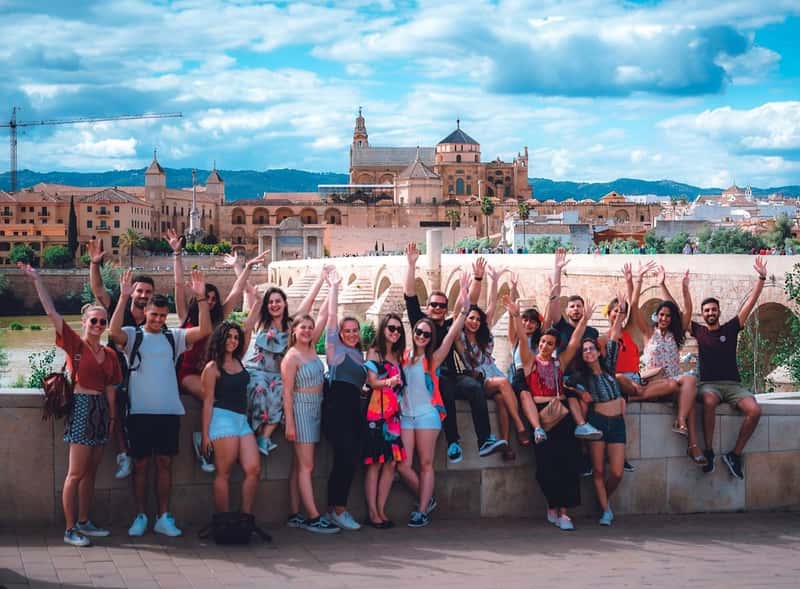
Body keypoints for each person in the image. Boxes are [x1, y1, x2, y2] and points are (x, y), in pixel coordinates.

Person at [20, 263, 122, 547]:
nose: (99, 326)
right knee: (75, 473)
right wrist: (37, 279)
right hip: (81, 407)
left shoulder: (110, 354)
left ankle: (85, 521)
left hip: (100, 410)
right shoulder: (75, 344)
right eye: (94, 321)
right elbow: (51, 312)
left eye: (102, 322)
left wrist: (112, 419)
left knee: (91, 473)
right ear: (84, 322)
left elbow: (111, 389)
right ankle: (69, 529)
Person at [110, 269, 213, 537]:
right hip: (139, 413)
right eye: (154, 315)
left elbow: (205, 330)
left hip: (168, 412)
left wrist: (201, 298)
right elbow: (113, 331)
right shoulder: (133, 335)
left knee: (165, 464)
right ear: (145, 312)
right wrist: (123, 297)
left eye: (162, 316)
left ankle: (163, 517)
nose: (157, 320)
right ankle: (141, 516)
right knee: (141, 465)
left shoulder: (173, 337)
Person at [169, 228, 268, 472]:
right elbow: (178, 285)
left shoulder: (218, 318)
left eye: (213, 299)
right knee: (209, 395)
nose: (211, 302)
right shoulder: (186, 316)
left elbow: (236, 291)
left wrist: (247, 266)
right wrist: (177, 254)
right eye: (207, 298)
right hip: (189, 373)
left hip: (214, 371)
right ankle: (202, 440)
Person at [403, 243, 507, 464]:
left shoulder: (451, 325)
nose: (438, 308)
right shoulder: (421, 324)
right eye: (434, 304)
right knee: (445, 389)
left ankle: (485, 440)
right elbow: (410, 295)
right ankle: (453, 442)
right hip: (428, 378)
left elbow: (469, 305)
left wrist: (477, 279)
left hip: (451, 374)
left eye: (442, 306)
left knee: (474, 387)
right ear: (428, 306)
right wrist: (411, 265)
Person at [506, 294, 594, 531]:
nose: (545, 346)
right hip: (542, 414)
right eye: (543, 342)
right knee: (546, 466)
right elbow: (522, 339)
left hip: (562, 414)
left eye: (550, 344)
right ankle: (552, 506)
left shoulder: (558, 363)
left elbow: (574, 342)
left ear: (555, 347)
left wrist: (584, 321)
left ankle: (564, 513)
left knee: (568, 464)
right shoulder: (530, 361)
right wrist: (515, 315)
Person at [87, 237, 169, 480]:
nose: (143, 294)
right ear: (131, 291)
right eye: (139, 290)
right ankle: (124, 453)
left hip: (143, 376)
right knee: (115, 405)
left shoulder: (155, 320)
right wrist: (94, 263)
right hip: (116, 372)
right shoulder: (117, 307)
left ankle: (135, 452)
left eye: (148, 292)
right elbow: (98, 289)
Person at [397, 274, 470, 528]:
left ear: (431, 338)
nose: (422, 336)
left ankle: (422, 510)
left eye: (426, 334)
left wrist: (464, 307)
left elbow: (452, 334)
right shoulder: (403, 357)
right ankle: (427, 499)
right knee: (403, 465)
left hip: (428, 416)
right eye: (418, 332)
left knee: (426, 464)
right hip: (406, 416)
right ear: (414, 331)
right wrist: (410, 266)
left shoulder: (434, 359)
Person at [691, 258, 767, 479]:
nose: (710, 312)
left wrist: (762, 278)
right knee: (709, 401)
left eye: (713, 309)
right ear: (703, 314)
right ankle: (709, 451)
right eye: (707, 310)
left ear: (719, 312)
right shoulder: (698, 331)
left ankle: (734, 454)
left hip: (733, 386)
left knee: (755, 410)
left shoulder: (731, 328)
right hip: (709, 385)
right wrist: (665, 285)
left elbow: (750, 303)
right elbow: (679, 314)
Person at [242, 266, 330, 456]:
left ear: (284, 303)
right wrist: (239, 267)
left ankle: (264, 437)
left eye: (278, 301)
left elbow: (309, 301)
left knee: (283, 393)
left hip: (280, 375)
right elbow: (248, 291)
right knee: (258, 389)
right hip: (259, 371)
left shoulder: (292, 325)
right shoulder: (261, 322)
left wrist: (321, 279)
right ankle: (256, 435)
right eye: (271, 302)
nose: (274, 305)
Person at [629, 266, 706, 465]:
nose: (664, 318)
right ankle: (693, 445)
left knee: (689, 383)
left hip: (674, 382)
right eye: (661, 315)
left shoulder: (675, 335)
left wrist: (684, 288)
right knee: (680, 389)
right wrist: (638, 279)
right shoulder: (648, 333)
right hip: (654, 384)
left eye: (668, 316)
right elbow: (634, 306)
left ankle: (682, 424)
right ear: (656, 316)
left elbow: (687, 311)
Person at [455, 264, 530, 461]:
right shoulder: (460, 338)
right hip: (479, 378)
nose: (474, 322)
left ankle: (505, 445)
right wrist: (464, 290)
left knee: (501, 401)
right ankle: (520, 425)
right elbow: (457, 314)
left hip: (493, 373)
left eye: (477, 320)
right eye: (470, 318)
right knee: (504, 383)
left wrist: (495, 281)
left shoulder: (483, 335)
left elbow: (491, 305)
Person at [568, 291, 629, 526]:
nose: (588, 352)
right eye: (584, 350)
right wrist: (579, 393)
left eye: (591, 348)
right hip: (598, 423)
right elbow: (564, 385)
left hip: (617, 424)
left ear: (597, 351)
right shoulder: (581, 376)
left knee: (617, 472)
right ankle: (605, 511)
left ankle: (603, 500)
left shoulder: (609, 367)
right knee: (599, 471)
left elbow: (614, 335)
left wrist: (619, 312)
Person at [282, 314, 340, 534]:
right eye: (302, 327)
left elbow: (325, 316)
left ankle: (294, 513)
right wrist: (290, 424)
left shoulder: (312, 348)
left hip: (317, 406)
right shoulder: (291, 357)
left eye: (310, 327)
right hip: (301, 409)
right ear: (294, 330)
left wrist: (330, 293)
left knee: (299, 465)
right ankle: (314, 517)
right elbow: (287, 393)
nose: (307, 331)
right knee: (307, 466)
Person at [199, 322, 261, 516]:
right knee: (223, 473)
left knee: (253, 468)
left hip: (241, 420)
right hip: (222, 418)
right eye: (228, 336)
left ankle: (245, 518)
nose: (232, 341)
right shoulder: (212, 368)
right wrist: (205, 435)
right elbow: (208, 402)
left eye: (236, 337)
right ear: (220, 338)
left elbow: (249, 328)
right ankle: (223, 522)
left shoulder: (239, 361)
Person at [322, 269, 367, 531]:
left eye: (354, 330)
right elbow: (331, 317)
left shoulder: (360, 356)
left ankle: (335, 509)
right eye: (346, 330)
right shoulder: (335, 351)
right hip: (337, 411)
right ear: (339, 334)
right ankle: (338, 509)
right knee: (345, 459)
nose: (351, 334)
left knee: (350, 460)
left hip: (354, 413)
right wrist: (334, 287)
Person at [544, 248, 603, 441]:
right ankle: (582, 431)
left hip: (585, 377)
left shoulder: (592, 332)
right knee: (577, 397)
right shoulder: (561, 326)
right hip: (564, 377)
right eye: (572, 306)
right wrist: (557, 270)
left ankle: (583, 435)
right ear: (567, 310)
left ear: (584, 310)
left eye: (579, 306)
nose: (576, 309)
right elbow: (554, 305)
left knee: (587, 402)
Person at [363, 313, 407, 528]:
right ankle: (372, 512)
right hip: (377, 415)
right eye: (391, 328)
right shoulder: (375, 352)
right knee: (376, 463)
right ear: (383, 329)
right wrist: (389, 381)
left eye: (398, 329)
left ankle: (381, 510)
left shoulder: (398, 356)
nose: (395, 332)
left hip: (394, 417)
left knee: (390, 463)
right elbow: (371, 382)